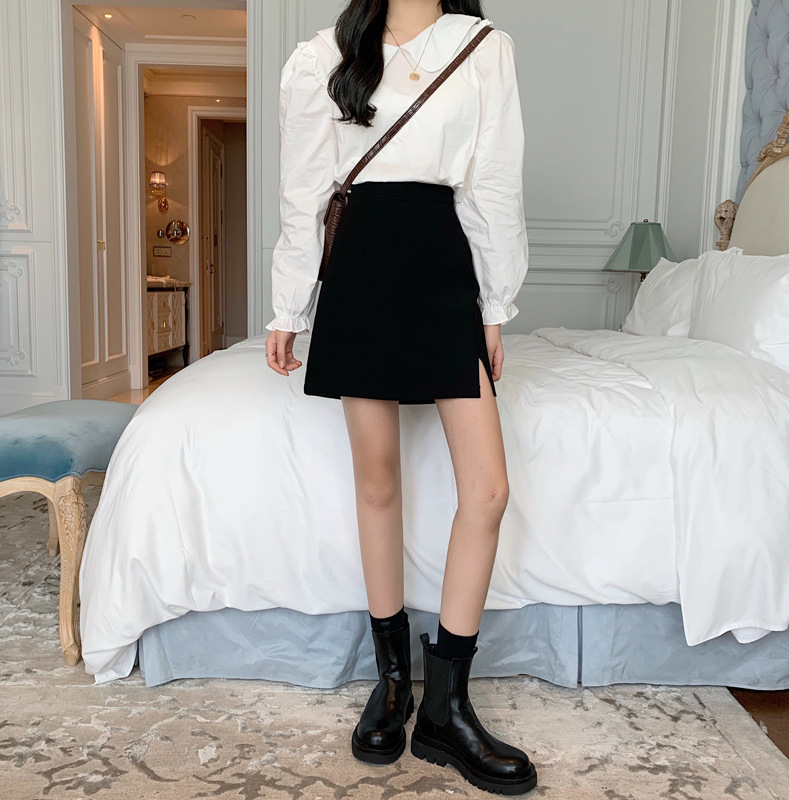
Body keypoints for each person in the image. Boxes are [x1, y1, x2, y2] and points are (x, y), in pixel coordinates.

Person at [265, 0, 535, 794]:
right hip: (362, 266)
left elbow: (493, 180)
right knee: (377, 478)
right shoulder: (323, 55)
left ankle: (446, 708)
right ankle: (391, 685)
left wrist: (494, 304)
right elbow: (304, 190)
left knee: (487, 489)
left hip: (442, 263)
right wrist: (287, 308)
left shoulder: (481, 46)